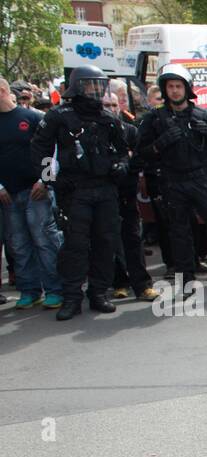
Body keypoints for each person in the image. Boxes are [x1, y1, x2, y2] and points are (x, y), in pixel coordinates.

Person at [136, 63, 207, 291]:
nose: (175, 91)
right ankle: (185, 284)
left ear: (186, 88)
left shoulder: (202, 115)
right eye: (170, 86)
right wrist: (161, 143)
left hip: (200, 179)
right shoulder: (154, 118)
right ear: (164, 88)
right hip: (171, 181)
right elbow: (142, 153)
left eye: (179, 86)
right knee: (179, 234)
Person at [29, 65, 128, 321]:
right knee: (75, 246)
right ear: (78, 86)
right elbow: (40, 149)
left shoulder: (108, 117)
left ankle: (99, 293)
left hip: (105, 189)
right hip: (74, 191)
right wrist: (49, 180)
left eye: (99, 85)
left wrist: (121, 166)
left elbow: (122, 149)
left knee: (106, 242)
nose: (96, 90)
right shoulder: (58, 116)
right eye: (90, 84)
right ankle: (72, 297)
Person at [0, 75, 62, 310]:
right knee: (18, 244)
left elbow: (53, 149)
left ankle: (55, 289)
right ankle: (29, 290)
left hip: (36, 191)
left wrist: (45, 181)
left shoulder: (34, 117)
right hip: (8, 194)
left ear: (3, 91)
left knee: (44, 240)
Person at [103, 91, 157, 303]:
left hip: (127, 194)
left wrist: (129, 163)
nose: (111, 108)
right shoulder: (93, 131)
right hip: (104, 195)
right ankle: (119, 283)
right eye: (106, 104)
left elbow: (142, 157)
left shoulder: (131, 131)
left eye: (114, 104)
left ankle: (142, 286)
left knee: (133, 239)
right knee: (108, 240)